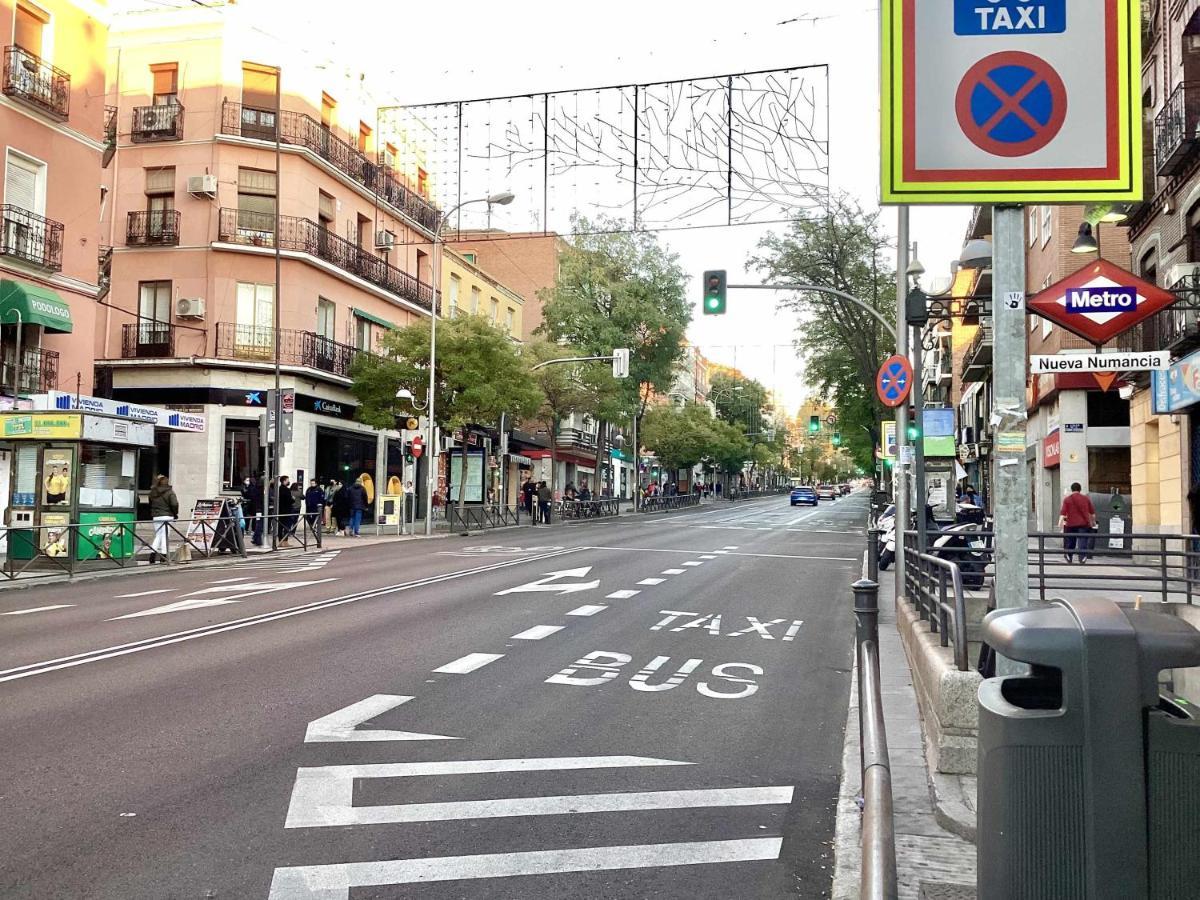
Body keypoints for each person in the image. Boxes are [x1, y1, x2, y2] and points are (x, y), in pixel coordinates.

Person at [1060, 482, 1097, 564]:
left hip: (1071, 524)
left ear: (1071, 489)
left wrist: (1060, 524)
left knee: (1071, 541)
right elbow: (1092, 513)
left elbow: (1062, 513)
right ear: (1080, 489)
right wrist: (1093, 522)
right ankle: (1082, 557)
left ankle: (1069, 556)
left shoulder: (1067, 499)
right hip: (1083, 524)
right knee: (1082, 540)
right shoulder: (1086, 499)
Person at [148, 475, 179, 563]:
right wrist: (175, 513)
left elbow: (150, 503)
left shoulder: (152, 492)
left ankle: (152, 555)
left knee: (158, 535)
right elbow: (174, 504)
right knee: (165, 536)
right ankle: (164, 556)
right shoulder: (170, 492)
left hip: (156, 516)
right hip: (167, 515)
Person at [241, 475, 263, 546]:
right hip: (258, 508)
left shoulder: (252, 488)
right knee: (259, 524)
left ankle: (256, 539)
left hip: (255, 508)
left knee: (258, 523)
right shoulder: (257, 489)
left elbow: (247, 495)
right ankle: (257, 539)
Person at [277, 475, 297, 546]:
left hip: (280, 510)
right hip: (286, 510)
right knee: (286, 526)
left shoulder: (279, 489)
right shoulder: (286, 490)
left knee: (280, 526)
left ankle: (280, 541)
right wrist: (293, 499)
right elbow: (289, 500)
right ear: (284, 481)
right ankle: (285, 541)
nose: (288, 481)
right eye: (287, 480)